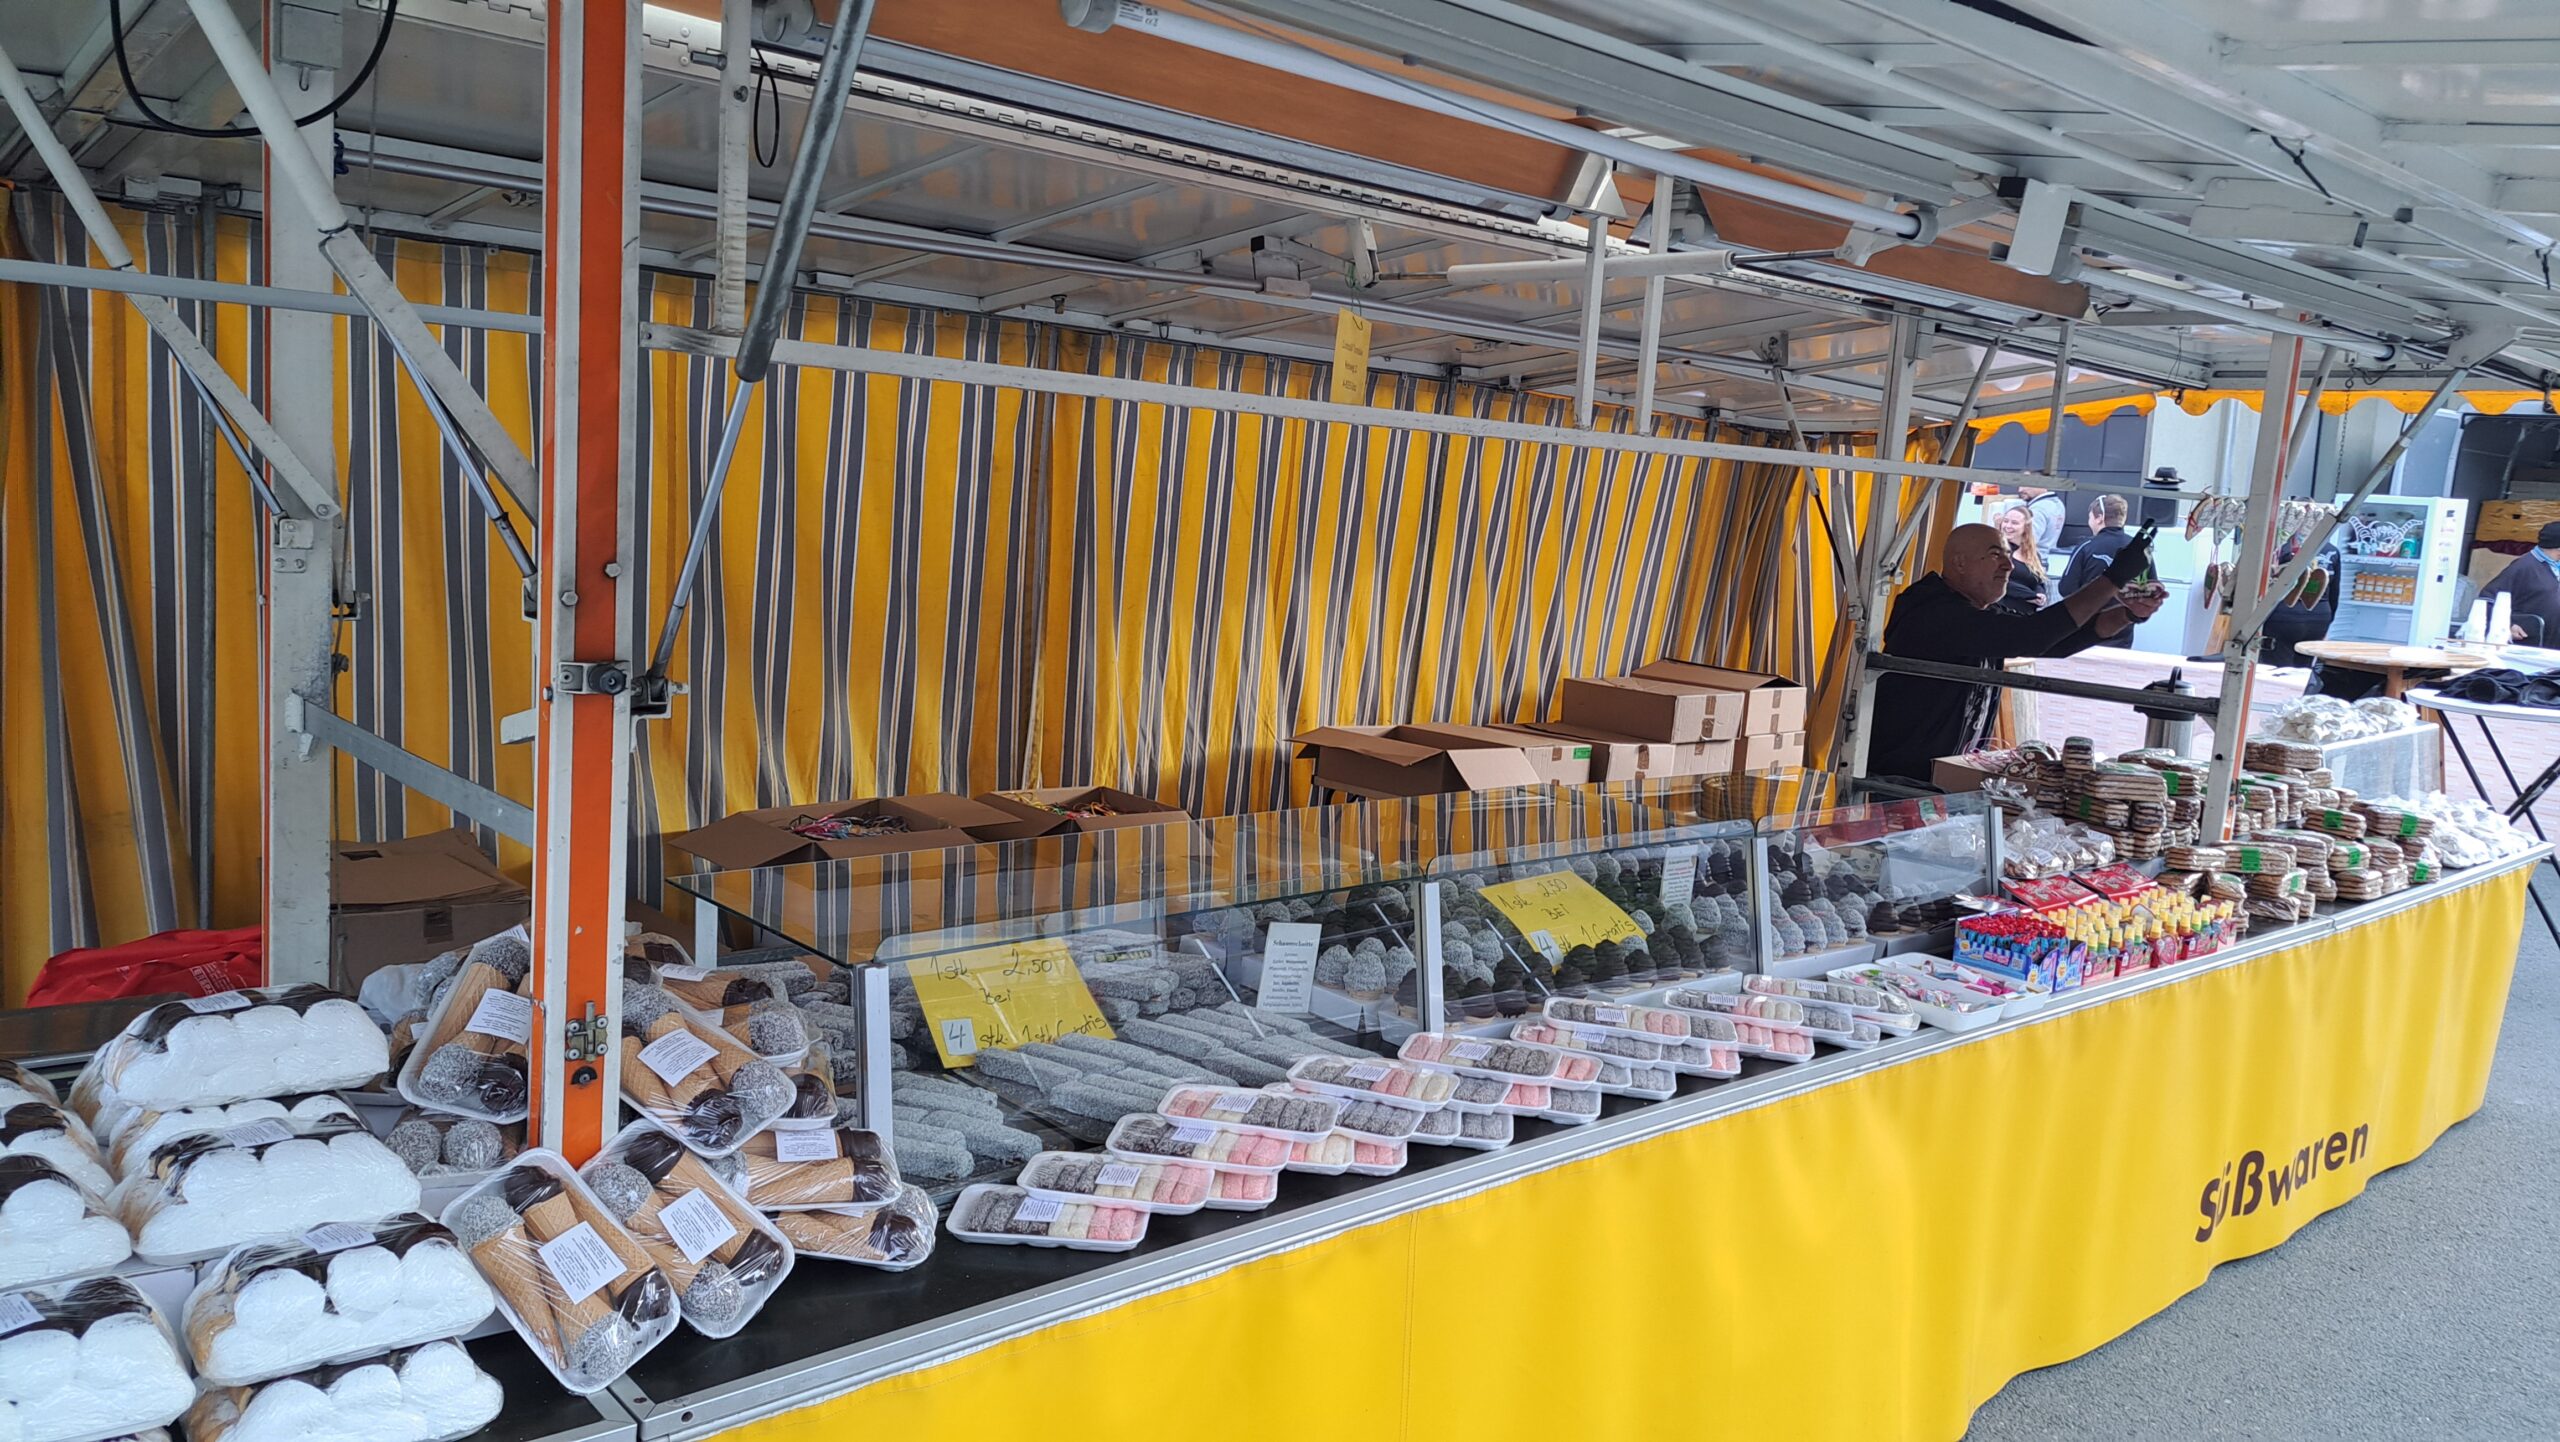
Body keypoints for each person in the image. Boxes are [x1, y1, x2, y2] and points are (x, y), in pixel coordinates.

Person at [1866, 522, 2164, 784]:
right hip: (1897, 779)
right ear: (1960, 563)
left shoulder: (1978, 611)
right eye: (1996, 555)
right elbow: (2032, 636)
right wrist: (2112, 579)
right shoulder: (1931, 612)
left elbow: (2054, 641)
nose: (2008, 566)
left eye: (2008, 555)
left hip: (1940, 777)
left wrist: (2127, 614)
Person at [2056, 495, 2138, 646]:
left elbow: (2066, 588)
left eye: (2090, 517)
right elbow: (2149, 590)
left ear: (2099, 518)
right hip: (2122, 629)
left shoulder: (2086, 546)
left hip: (2086, 628)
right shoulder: (2139, 548)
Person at [2476, 521, 2560, 646]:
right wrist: (2509, 624)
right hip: (2534, 646)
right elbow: (2487, 599)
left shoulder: (2556, 565)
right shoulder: (2524, 566)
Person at [1995, 504, 2049, 611]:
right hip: (2003, 610)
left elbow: (2038, 582)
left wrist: (2040, 595)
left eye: (2014, 523)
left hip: (2026, 612)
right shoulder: (1997, 550)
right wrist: (2029, 596)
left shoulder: (2034, 555)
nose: (2008, 526)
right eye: (2005, 521)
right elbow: (1998, 581)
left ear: (2026, 527)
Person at [2015, 486, 2067, 556]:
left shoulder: (2037, 510)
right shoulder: (2057, 503)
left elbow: (2027, 542)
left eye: (2026, 485)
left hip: (2032, 558)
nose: (2020, 490)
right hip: (2049, 556)